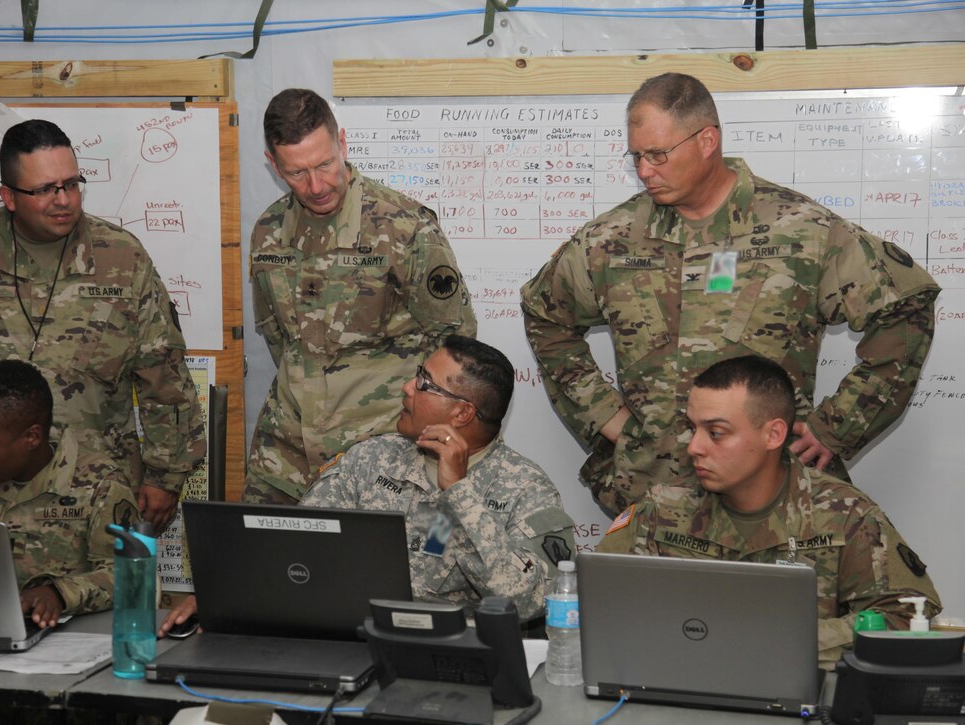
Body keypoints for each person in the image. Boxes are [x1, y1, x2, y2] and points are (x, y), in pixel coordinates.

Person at [520, 72, 939, 516]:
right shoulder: (611, 239)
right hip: (654, 501)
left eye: (658, 154)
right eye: (637, 156)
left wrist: (837, 427)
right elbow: (545, 316)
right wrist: (606, 418)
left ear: (706, 141)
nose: (644, 171)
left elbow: (905, 309)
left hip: (769, 504)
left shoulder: (801, 230)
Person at [0, 119, 205, 532]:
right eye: (45, 189)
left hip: (94, 499)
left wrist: (166, 477)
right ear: (8, 197)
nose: (64, 199)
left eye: (72, 183)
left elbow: (164, 373)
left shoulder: (122, 258)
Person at [161, 336, 575, 634]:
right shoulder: (372, 459)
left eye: (425, 383)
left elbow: (525, 603)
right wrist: (228, 598)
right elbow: (295, 544)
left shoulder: (526, 489)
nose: (407, 388)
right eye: (416, 375)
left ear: (462, 414)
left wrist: (459, 492)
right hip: (353, 642)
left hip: (456, 656)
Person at [597, 355, 941, 668]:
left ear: (773, 434)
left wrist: (784, 644)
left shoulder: (844, 516)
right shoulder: (662, 509)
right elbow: (597, 597)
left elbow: (907, 617)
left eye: (715, 433)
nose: (695, 447)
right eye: (692, 428)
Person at [245, 88, 476, 505]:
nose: (316, 186)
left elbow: (457, 345)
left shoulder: (404, 228)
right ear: (273, 165)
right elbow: (280, 339)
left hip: (381, 458)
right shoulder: (268, 232)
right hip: (285, 459)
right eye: (297, 173)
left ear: (343, 143)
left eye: (325, 164)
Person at [0, 359, 140, 627]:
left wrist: (60, 594)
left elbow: (133, 576)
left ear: (31, 438)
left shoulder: (99, 485)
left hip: (69, 639)